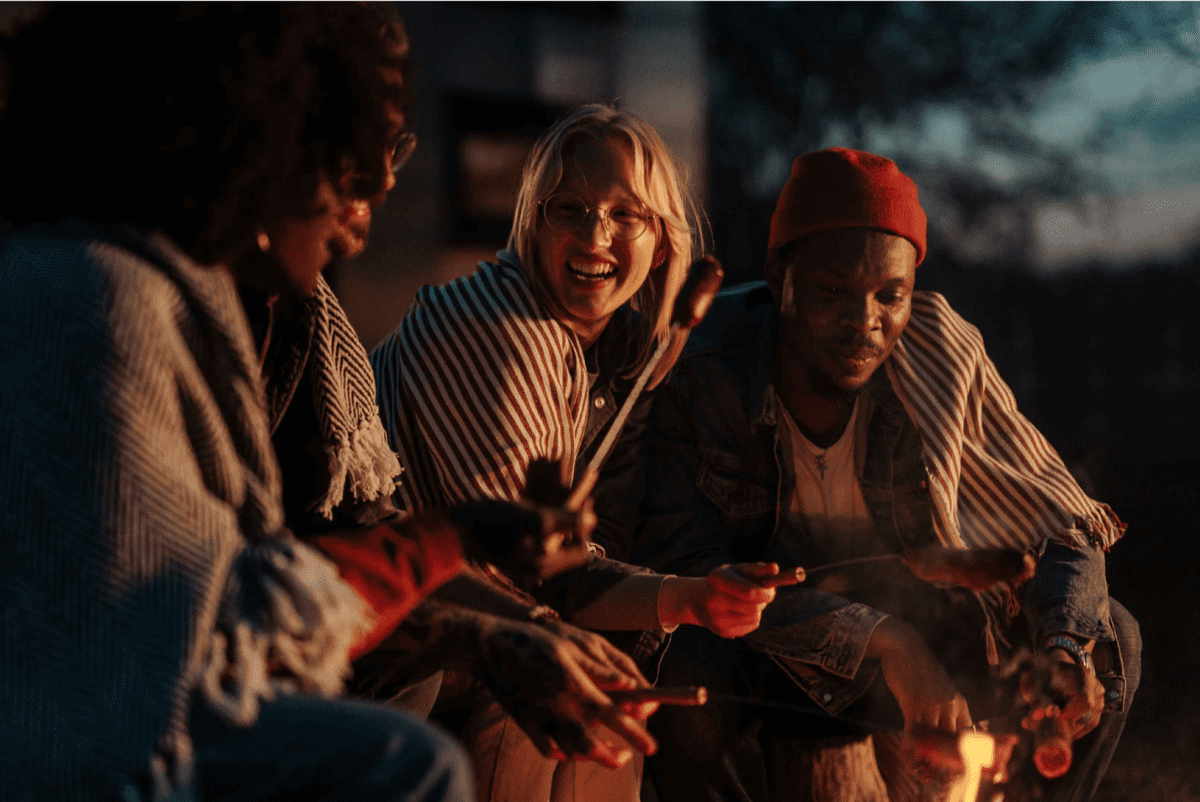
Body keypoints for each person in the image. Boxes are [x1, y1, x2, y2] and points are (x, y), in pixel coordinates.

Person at [0, 5, 475, 800]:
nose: (378, 194)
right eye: (349, 162)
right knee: (405, 763)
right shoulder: (96, 299)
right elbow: (182, 652)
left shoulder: (208, 298)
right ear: (254, 136)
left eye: (391, 154)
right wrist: (456, 540)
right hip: (73, 746)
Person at [631, 148, 1142, 802]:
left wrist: (1065, 649)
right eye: (831, 289)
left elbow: (1060, 526)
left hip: (916, 612)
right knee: (687, 670)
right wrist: (885, 641)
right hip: (765, 637)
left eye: (889, 295)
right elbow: (684, 563)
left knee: (1111, 637)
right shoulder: (706, 363)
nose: (863, 321)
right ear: (778, 274)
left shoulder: (936, 354)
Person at [370, 104, 797, 802]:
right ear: (533, 227)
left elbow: (561, 562)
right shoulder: (512, 334)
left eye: (625, 215)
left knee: (615, 694)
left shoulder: (588, 351)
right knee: (563, 689)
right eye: (568, 209)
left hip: (447, 619)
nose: (595, 236)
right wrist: (677, 600)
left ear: (661, 242)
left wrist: (693, 597)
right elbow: (533, 578)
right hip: (382, 641)